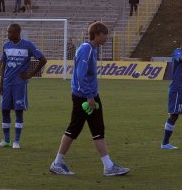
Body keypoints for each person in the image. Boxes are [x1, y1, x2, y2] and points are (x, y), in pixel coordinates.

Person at [49, 22, 130, 177]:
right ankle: (58, 163)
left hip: (88, 95)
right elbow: (80, 75)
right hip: (84, 97)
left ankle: (108, 166)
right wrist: (89, 96)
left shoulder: (92, 49)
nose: (106, 37)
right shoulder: (86, 49)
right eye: (105, 34)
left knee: (95, 129)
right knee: (76, 129)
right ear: (97, 34)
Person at [0, 23, 47, 149]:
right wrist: (0, 83)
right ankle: (6, 140)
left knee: (18, 112)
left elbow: (43, 60)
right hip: (7, 84)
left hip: (19, 84)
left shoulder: (28, 45)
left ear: (17, 33)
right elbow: (3, 65)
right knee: (5, 110)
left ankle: (16, 141)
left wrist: (30, 74)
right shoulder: (6, 45)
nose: (8, 34)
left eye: (10, 32)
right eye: (7, 32)